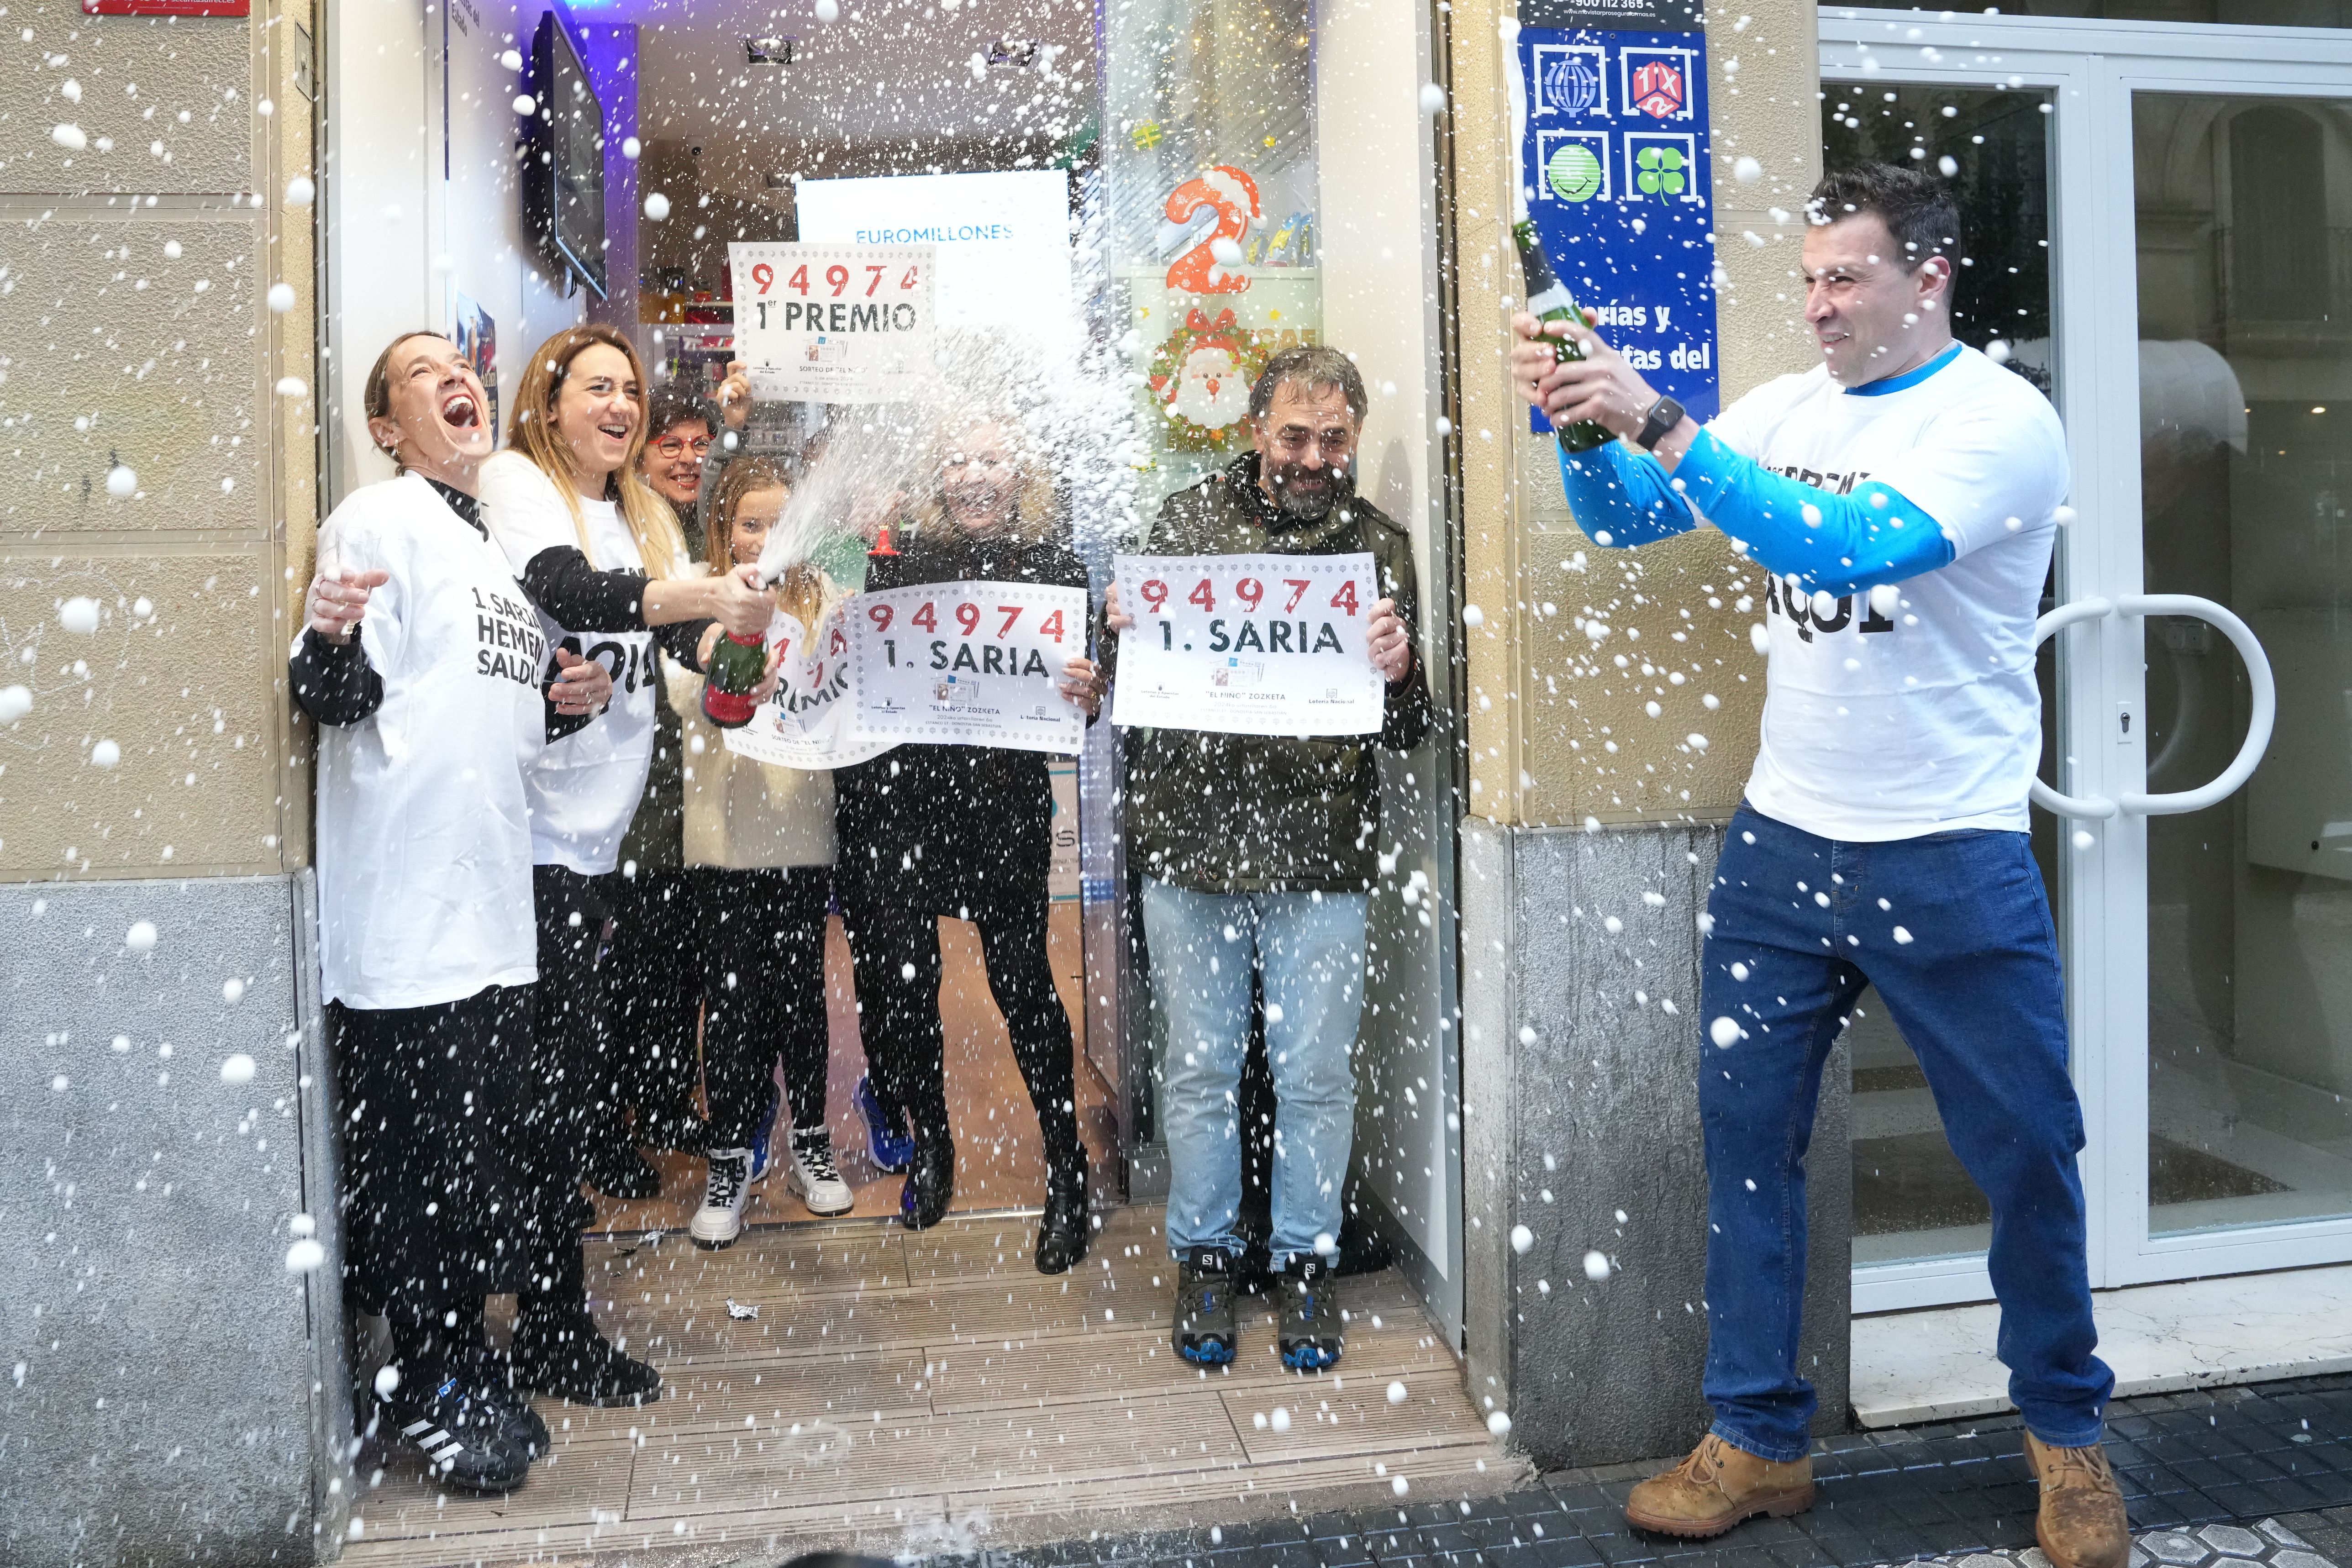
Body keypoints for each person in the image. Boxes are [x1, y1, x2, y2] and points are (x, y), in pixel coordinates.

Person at [1508, 162, 2124, 1568]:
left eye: (1845, 277)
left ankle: (2070, 1437)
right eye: (1807, 280)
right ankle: (1760, 1440)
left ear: (1932, 277)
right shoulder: (1790, 408)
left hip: (1950, 853)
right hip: (1783, 848)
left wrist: (1658, 415)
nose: (1819, 305)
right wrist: (1582, 426)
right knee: (1747, 1151)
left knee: (2027, 1152)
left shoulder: (2002, 422)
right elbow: (1628, 521)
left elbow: (1847, 549)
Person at [291, 329, 619, 1493]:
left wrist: (569, 699)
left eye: (459, 363)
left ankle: (464, 1362)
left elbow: (503, 723)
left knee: (471, 1164)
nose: (454, 377)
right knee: (412, 1170)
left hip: (489, 917)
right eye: (421, 373)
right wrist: (326, 635)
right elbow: (336, 692)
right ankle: (426, 1378)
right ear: (386, 427)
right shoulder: (376, 524)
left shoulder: (490, 556)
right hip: (405, 927)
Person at [1099, 344, 1431, 1371]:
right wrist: (1117, 636)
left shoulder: (1376, 548)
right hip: (1190, 848)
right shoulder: (1184, 527)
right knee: (1196, 1070)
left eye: (1335, 438)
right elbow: (1123, 691)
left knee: (1315, 1075)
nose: (1313, 455)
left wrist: (1403, 667)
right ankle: (1204, 1255)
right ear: (1255, 431)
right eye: (1294, 434)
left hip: (1320, 855)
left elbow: (1408, 726)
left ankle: (1304, 1262)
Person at [477, 324, 773, 1221]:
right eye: (597, 389)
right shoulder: (517, 480)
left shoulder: (635, 512)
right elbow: (569, 590)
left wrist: (730, 640)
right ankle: (537, 1235)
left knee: (574, 1033)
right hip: (535, 827)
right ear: (548, 405)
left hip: (601, 823)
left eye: (629, 391)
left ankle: (549, 1213)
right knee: (544, 1046)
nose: (619, 406)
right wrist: (706, 597)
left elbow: (673, 628)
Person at [831, 413, 1105, 1268]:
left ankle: (1068, 1169)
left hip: (1000, 807)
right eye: (955, 458)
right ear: (933, 475)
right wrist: (856, 546)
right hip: (898, 804)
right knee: (900, 993)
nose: (975, 474)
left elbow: (1083, 707)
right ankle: (933, 1143)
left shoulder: (1059, 571)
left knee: (1024, 986)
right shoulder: (891, 560)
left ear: (1022, 470)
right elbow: (837, 643)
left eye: (992, 457)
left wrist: (1089, 692)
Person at [671, 455, 859, 1246]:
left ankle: (811, 1145)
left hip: (802, 836)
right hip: (722, 837)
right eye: (751, 523)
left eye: (780, 525)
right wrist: (731, 669)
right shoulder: (693, 601)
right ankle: (731, 1157)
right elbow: (690, 700)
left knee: (801, 1001)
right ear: (724, 527)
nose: (764, 540)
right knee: (735, 1005)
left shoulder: (833, 606)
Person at [601, 382, 722, 1161]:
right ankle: (607, 1124)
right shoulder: (618, 528)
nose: (686, 457)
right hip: (630, 780)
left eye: (698, 444)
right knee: (631, 958)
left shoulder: (701, 525)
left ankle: (671, 1095)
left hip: (694, 780)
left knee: (683, 955)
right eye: (669, 443)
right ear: (641, 452)